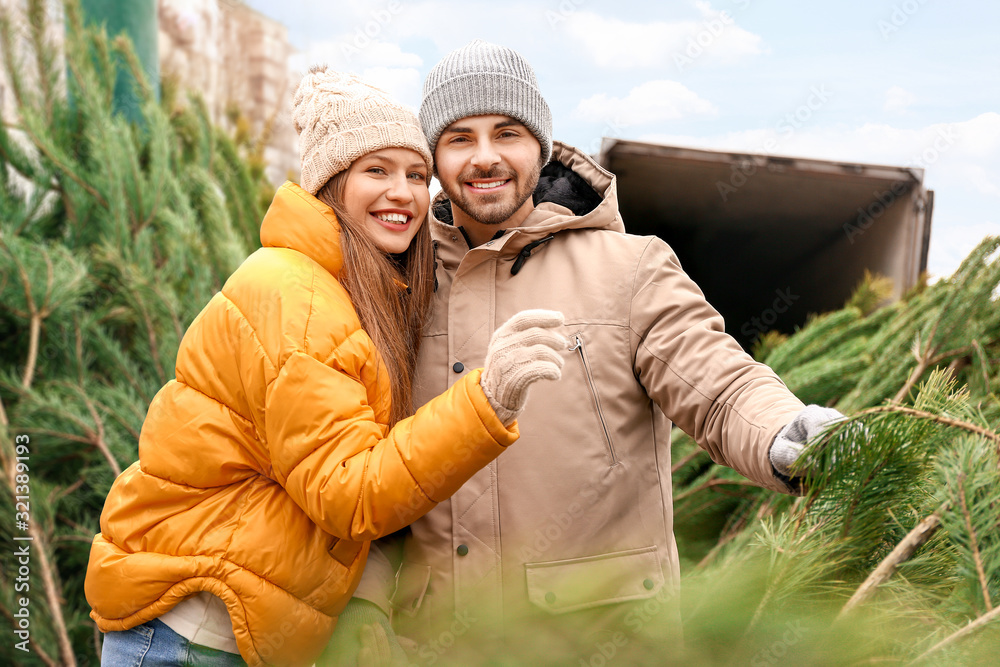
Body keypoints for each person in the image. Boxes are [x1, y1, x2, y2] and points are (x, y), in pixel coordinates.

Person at [328, 40, 844, 665]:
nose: (485, 157)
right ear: (434, 157)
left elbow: (720, 385)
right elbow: (374, 470)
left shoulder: (630, 268)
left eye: (507, 132)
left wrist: (783, 432)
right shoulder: (400, 287)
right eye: (460, 137)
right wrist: (366, 600)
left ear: (540, 145)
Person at [84, 68, 568, 667]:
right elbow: (348, 491)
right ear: (330, 184)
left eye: (416, 175)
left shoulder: (353, 288)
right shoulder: (301, 298)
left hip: (226, 624)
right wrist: (485, 401)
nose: (403, 193)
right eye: (376, 171)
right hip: (193, 635)